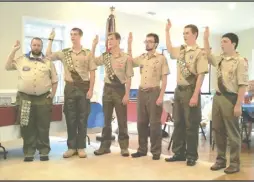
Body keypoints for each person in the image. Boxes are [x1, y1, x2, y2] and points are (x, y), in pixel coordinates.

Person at [46, 28, 96, 158]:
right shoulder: (65, 53)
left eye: (75, 34)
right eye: (71, 34)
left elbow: (92, 72)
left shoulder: (88, 53)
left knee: (82, 118)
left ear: (80, 36)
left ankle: (80, 147)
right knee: (70, 118)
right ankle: (71, 147)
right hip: (69, 88)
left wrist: (91, 89)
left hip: (84, 88)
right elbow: (48, 56)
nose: (72, 37)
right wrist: (50, 40)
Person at [5, 38, 58, 162]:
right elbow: (7, 66)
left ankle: (44, 151)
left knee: (43, 126)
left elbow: (55, 80)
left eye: (39, 45)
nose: (36, 47)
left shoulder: (48, 62)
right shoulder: (22, 60)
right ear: (31, 45)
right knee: (26, 126)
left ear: (41, 47)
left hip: (43, 98)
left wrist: (53, 94)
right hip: (25, 98)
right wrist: (14, 50)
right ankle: (29, 151)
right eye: (34, 45)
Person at [204, 27, 248, 174]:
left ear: (233, 44)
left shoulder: (240, 61)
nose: (222, 44)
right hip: (217, 97)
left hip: (231, 98)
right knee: (218, 130)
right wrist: (205, 38)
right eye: (221, 41)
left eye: (225, 41)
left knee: (233, 133)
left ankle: (235, 163)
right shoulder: (220, 59)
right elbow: (208, 56)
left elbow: (243, 84)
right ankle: (220, 160)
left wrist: (238, 104)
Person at [164, 19, 208, 166]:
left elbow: (201, 74)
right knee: (178, 123)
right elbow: (169, 49)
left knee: (191, 125)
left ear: (195, 34)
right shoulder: (181, 50)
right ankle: (179, 153)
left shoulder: (199, 53)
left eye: (187, 33)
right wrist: (167, 31)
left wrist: (196, 94)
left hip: (191, 90)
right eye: (183, 33)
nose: (184, 35)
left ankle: (191, 156)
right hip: (179, 90)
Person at [128, 32, 170, 160]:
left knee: (155, 123)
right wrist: (129, 44)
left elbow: (164, 79)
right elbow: (130, 61)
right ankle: (142, 150)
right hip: (141, 92)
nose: (147, 43)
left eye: (150, 41)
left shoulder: (161, 58)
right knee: (141, 122)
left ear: (156, 44)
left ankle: (156, 152)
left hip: (154, 91)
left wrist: (161, 96)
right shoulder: (142, 57)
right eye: (146, 41)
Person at [91, 32, 133, 157]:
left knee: (122, 120)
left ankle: (124, 147)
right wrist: (93, 46)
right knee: (106, 120)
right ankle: (105, 146)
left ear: (118, 41)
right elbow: (93, 61)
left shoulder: (125, 57)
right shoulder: (106, 56)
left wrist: (127, 94)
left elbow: (129, 77)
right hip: (107, 90)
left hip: (120, 89)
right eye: (108, 39)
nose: (109, 41)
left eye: (111, 39)